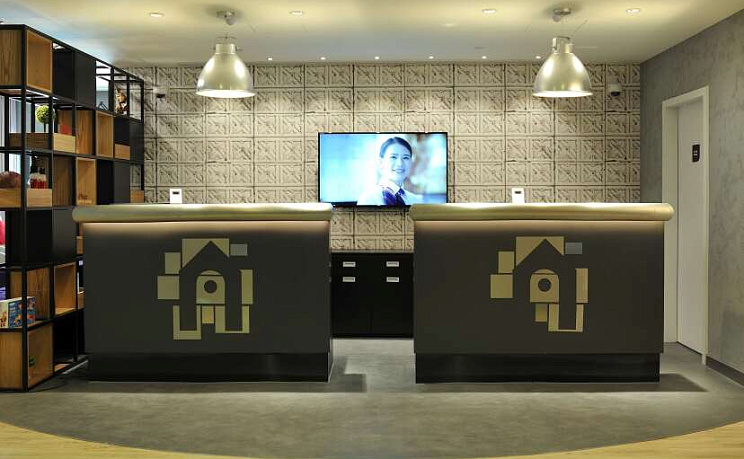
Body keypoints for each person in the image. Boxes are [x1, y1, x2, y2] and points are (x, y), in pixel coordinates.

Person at [357, 137, 424, 206]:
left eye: (405, 157)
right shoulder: (369, 198)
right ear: (381, 162)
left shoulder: (416, 200)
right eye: (393, 157)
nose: (400, 163)